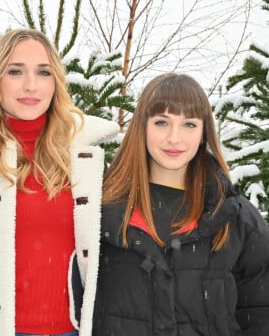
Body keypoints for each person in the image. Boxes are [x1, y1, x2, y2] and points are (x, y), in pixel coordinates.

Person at [0, 28, 119, 336]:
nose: (30, 85)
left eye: (43, 72)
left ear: (56, 83)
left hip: (71, 331)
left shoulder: (84, 159)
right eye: (15, 71)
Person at [87, 73, 269, 335]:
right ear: (142, 126)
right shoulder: (101, 209)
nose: (174, 138)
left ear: (204, 131)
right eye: (162, 122)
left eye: (189, 125)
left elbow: (262, 313)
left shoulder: (234, 215)